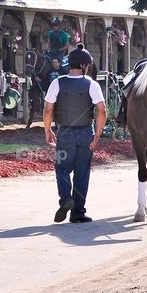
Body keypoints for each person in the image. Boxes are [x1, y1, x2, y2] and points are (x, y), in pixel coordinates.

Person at [43, 44, 106, 224]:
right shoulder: (92, 84)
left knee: (62, 167)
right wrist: (97, 136)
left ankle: (65, 199)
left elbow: (48, 109)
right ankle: (78, 213)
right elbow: (101, 110)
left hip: (65, 132)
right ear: (85, 66)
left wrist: (47, 130)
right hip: (86, 131)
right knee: (82, 172)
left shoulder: (57, 82)